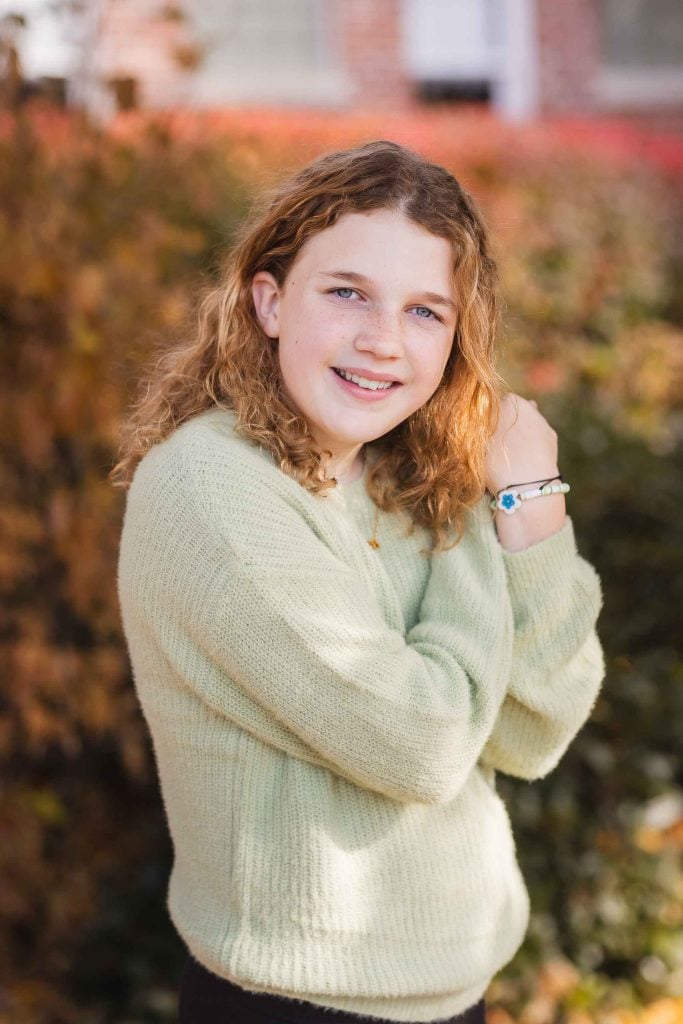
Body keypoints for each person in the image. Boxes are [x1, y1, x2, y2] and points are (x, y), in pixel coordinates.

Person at [113, 140, 605, 1024]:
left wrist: (530, 509)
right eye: (346, 293)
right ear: (268, 301)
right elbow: (421, 743)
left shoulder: (405, 469)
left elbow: (534, 731)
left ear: (457, 338)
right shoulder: (209, 487)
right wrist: (474, 508)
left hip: (457, 990)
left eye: (425, 312)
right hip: (299, 1002)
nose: (382, 341)